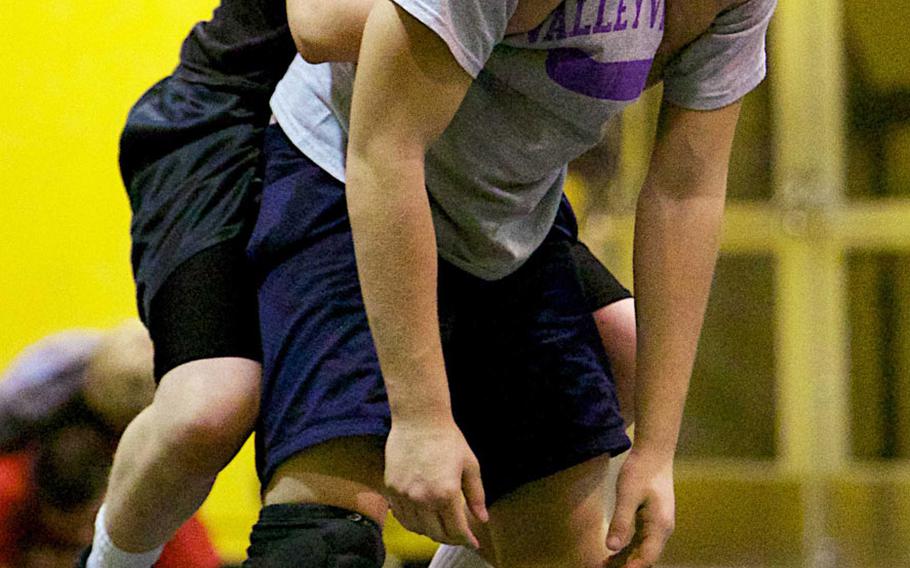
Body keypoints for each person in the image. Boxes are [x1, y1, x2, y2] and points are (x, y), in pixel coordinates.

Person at [85, 2, 641, 567]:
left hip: (444, 144)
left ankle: (460, 540)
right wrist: (518, 18)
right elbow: (319, 25)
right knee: (206, 412)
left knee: (625, 348)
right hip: (241, 106)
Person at [242, 0, 776, 567]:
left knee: (559, 546)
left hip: (507, 221)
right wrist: (421, 417)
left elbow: (684, 192)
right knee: (326, 546)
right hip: (348, 171)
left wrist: (656, 452)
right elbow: (386, 149)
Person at [0, 324, 220, 568]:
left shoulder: (148, 490)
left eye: (88, 526)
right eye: (74, 530)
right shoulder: (30, 402)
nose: (83, 537)